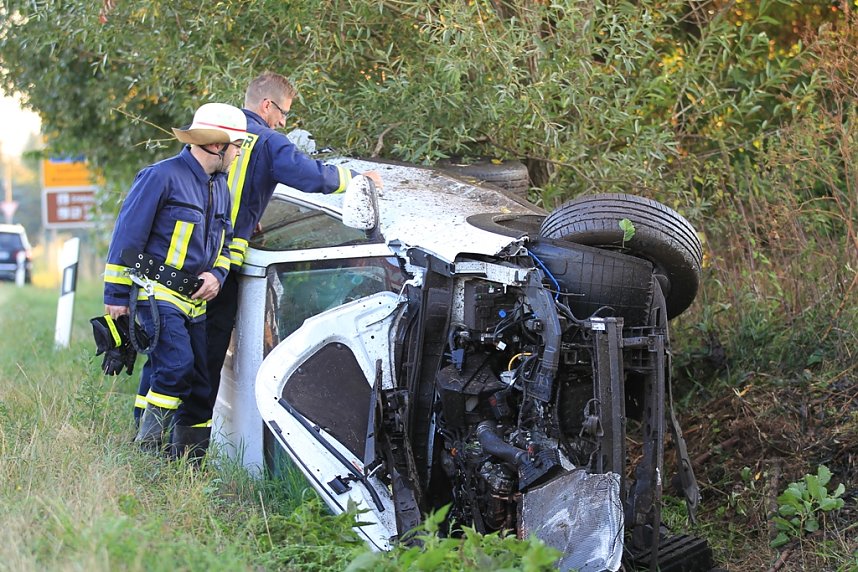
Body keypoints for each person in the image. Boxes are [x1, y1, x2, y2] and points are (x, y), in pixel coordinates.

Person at [132, 72, 383, 446]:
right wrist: (357, 178)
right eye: (283, 112)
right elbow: (309, 175)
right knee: (203, 364)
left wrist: (250, 210)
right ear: (267, 105)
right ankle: (185, 454)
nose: (283, 122)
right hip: (220, 271)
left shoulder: (217, 134)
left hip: (181, 266)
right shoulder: (266, 142)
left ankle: (141, 433)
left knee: (164, 357)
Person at [105, 102, 246, 458]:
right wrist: (117, 295)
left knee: (199, 380)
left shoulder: (220, 187)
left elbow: (226, 243)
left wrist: (218, 274)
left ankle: (186, 460)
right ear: (217, 146)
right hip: (157, 295)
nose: (238, 154)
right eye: (237, 146)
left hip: (197, 302)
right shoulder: (160, 177)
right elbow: (126, 239)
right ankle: (148, 452)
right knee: (176, 367)